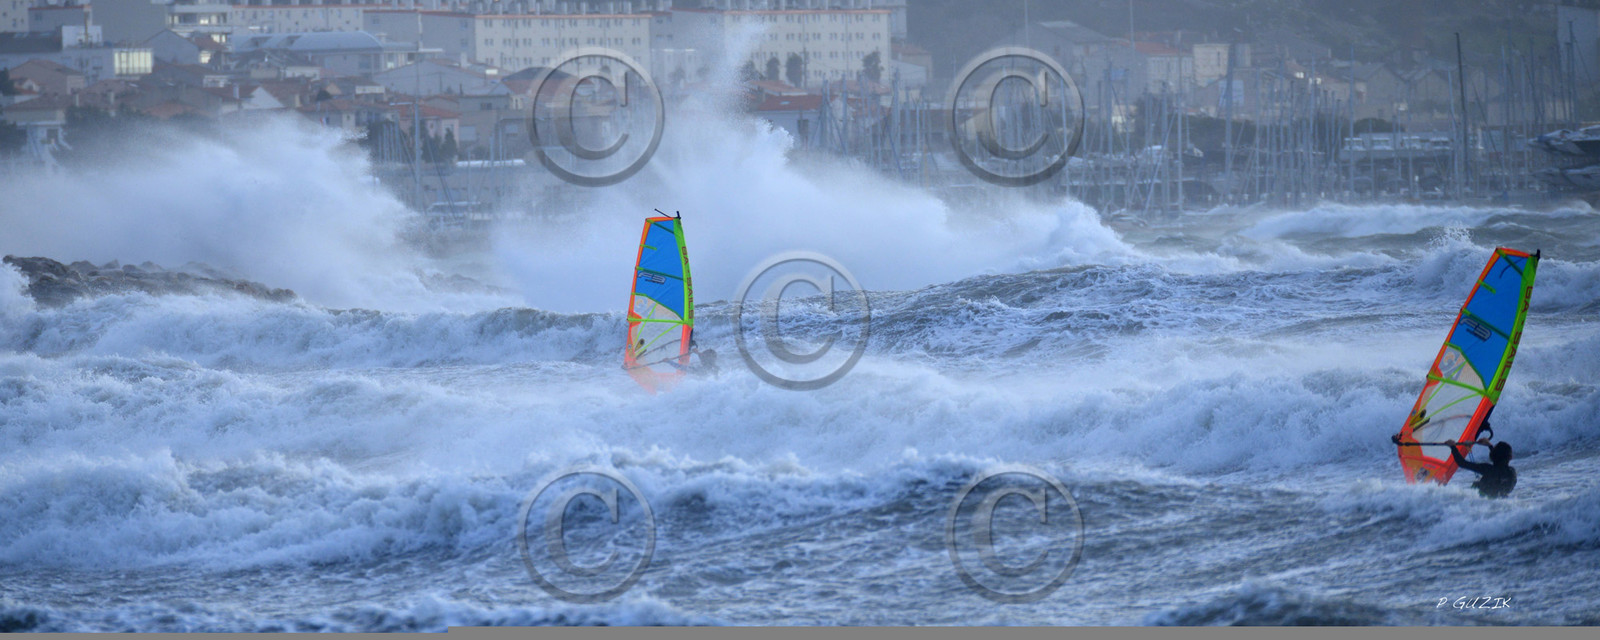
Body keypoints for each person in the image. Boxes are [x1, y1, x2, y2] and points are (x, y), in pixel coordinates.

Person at [1450, 433, 1516, 499]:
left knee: (1476, 484)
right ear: (1510, 457)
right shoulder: (1511, 472)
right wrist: (1490, 445)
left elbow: (1462, 463)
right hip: (1501, 501)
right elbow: (1500, 458)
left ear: (1492, 456)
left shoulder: (1488, 469)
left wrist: (1453, 447)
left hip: (1480, 501)